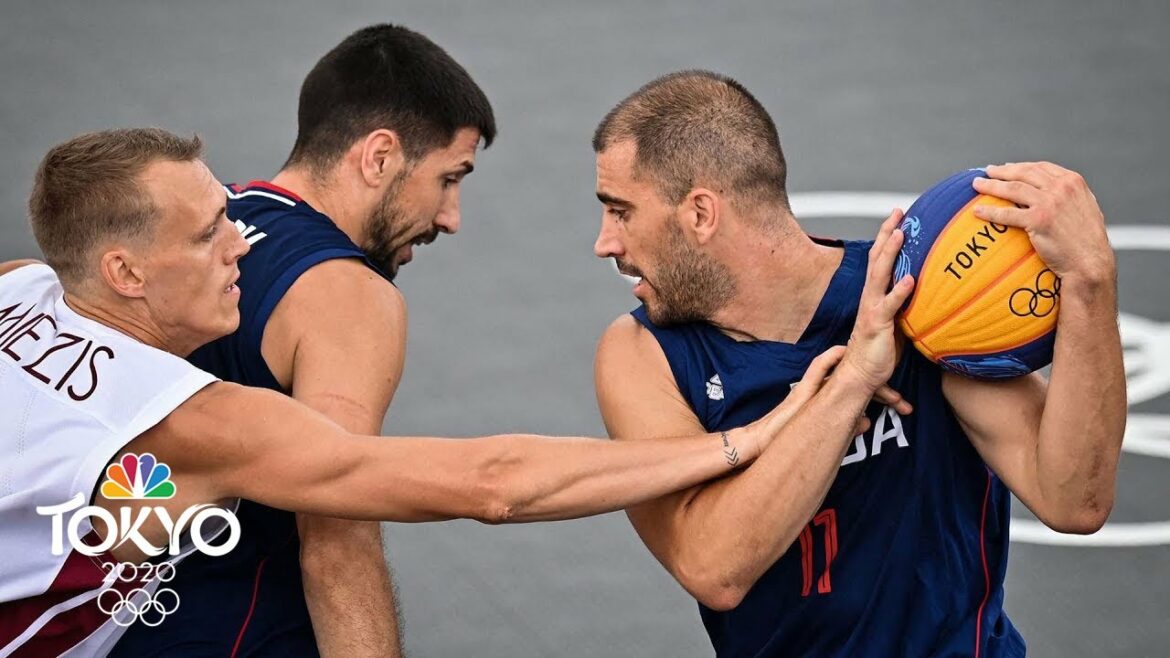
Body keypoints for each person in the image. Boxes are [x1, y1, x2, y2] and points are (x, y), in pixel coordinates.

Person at [0, 128, 903, 656]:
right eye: (207, 235)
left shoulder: (22, 287)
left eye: (227, 216)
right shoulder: (199, 423)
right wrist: (752, 437)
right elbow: (493, 483)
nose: (239, 242)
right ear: (122, 272)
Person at [591, 70, 1126, 657]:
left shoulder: (919, 303)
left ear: (700, 214)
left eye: (621, 212)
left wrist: (1090, 282)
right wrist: (853, 381)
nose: (605, 243)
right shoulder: (642, 357)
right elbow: (714, 566)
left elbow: (1074, 502)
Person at [115, 24, 492, 657]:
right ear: (379, 156)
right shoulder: (345, 294)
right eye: (449, 178)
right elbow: (337, 541)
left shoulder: (196, 235)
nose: (450, 217)